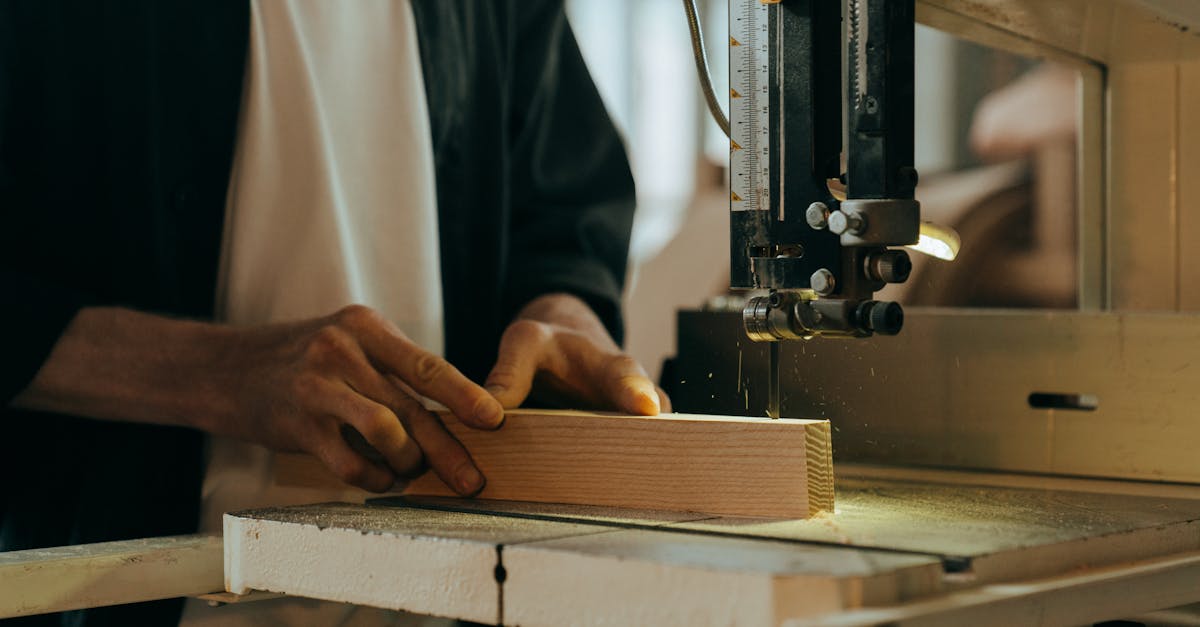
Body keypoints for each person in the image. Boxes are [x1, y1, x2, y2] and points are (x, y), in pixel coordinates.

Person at [0, 1, 665, 625]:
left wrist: (562, 318)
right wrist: (218, 371)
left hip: (447, 598)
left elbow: (562, 207)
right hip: (131, 592)